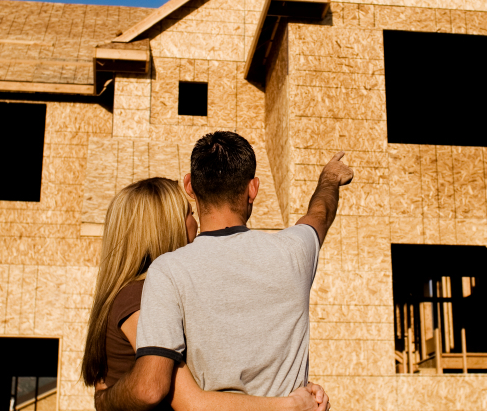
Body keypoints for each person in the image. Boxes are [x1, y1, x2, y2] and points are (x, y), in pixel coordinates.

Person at [96, 131, 353, 411]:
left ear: (189, 186)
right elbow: (319, 215)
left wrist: (105, 399)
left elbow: (158, 390)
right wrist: (330, 178)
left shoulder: (167, 271)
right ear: (253, 189)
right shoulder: (295, 251)